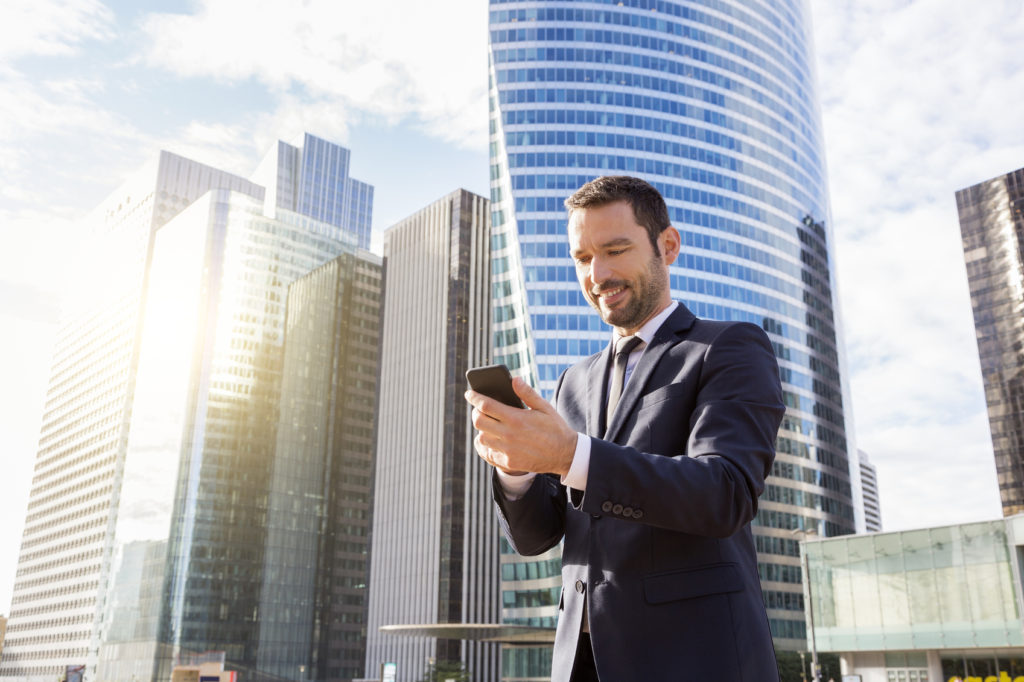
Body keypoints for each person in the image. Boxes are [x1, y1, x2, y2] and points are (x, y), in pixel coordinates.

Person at [465, 176, 785, 681]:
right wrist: (520, 470)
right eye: (583, 258)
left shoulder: (727, 348)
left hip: (693, 657)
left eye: (616, 249)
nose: (599, 273)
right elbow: (536, 537)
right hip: (582, 662)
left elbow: (726, 491)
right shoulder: (574, 381)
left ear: (668, 246)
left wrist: (572, 456)